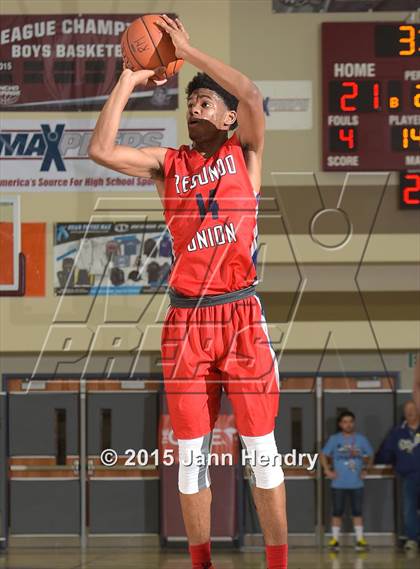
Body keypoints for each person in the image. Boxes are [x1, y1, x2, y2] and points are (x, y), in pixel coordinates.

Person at [89, 14, 287, 569]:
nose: (195, 106)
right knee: (190, 458)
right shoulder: (167, 165)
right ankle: (200, 561)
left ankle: (279, 563)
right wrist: (130, 75)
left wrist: (188, 52)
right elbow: (102, 149)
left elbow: (249, 91)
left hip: (240, 311)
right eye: (189, 102)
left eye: (205, 103)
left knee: (263, 454)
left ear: (227, 118)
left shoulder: (244, 155)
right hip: (186, 320)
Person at [320, 411, 374, 552]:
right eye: (345, 422)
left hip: (357, 483)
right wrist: (327, 470)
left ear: (354, 423)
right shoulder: (334, 439)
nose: (348, 424)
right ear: (340, 424)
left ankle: (360, 541)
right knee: (337, 512)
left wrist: (366, 469)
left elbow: (370, 455)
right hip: (338, 484)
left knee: (357, 512)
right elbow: (323, 454)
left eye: (350, 421)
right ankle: (335, 540)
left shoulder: (361, 439)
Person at [376, 400, 420, 552]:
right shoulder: (397, 432)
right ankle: (412, 539)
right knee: (409, 509)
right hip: (408, 477)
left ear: (417, 411)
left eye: (412, 409)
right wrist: (381, 462)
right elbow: (386, 451)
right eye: (407, 410)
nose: (410, 413)